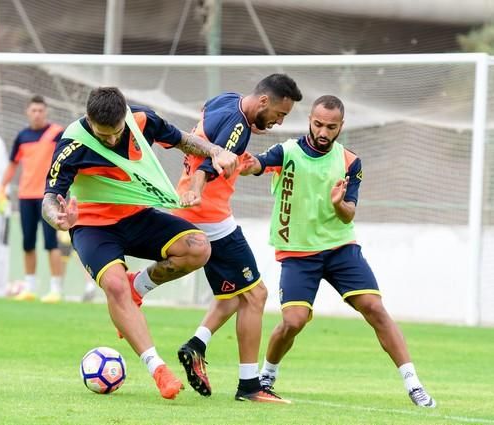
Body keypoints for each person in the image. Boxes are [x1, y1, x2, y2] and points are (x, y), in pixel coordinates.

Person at [42, 86, 238, 400]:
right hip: (93, 225)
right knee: (115, 286)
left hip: (137, 215)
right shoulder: (72, 144)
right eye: (100, 133)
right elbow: (50, 197)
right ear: (89, 120)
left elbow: (182, 140)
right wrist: (58, 218)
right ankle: (157, 368)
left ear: (125, 118)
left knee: (198, 247)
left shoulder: (142, 121)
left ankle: (140, 286)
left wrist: (214, 151)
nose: (108, 139)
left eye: (114, 132)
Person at [241, 95, 436, 408]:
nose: (323, 131)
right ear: (310, 120)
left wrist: (337, 204)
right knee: (293, 321)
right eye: (318, 124)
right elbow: (258, 165)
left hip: (340, 247)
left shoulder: (350, 162)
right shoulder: (287, 151)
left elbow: (349, 213)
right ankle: (267, 376)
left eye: (330, 126)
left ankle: (413, 383)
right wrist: (247, 164)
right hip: (297, 252)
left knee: (374, 307)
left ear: (340, 126)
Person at [169, 74, 302, 403]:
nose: (278, 122)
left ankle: (196, 345)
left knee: (233, 294)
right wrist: (198, 188)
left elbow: (208, 124)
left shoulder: (226, 100)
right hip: (210, 216)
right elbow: (209, 168)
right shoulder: (238, 130)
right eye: (279, 115)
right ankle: (249, 386)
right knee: (256, 295)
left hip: (194, 208)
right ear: (264, 102)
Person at [0, 95, 69, 303]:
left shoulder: (57, 134)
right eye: (33, 110)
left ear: (46, 112)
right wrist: (1, 188)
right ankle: (30, 287)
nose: (37, 114)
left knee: (51, 243)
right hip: (26, 196)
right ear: (27, 112)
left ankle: (56, 289)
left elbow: (68, 159)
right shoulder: (22, 136)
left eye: (40, 110)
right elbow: (12, 164)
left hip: (49, 196)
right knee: (28, 243)